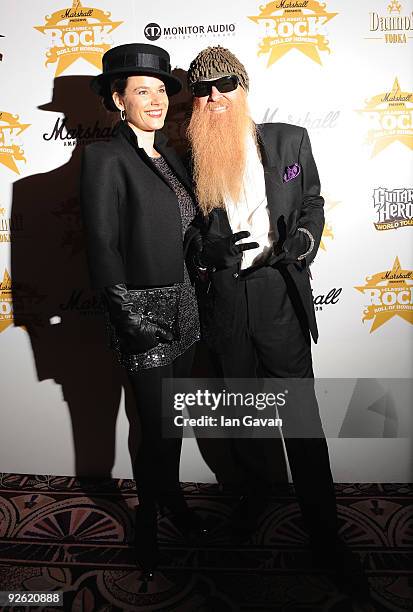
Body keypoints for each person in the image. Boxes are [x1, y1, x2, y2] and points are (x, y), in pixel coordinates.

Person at [186, 45, 370, 603]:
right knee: (239, 414)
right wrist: (204, 249)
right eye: (203, 88)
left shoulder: (289, 140)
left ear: (244, 87)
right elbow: (185, 231)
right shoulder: (184, 152)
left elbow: (311, 199)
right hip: (225, 299)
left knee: (302, 419)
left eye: (225, 83)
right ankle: (250, 505)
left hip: (277, 295)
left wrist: (304, 241)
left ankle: (323, 529)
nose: (214, 95)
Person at [80, 43, 206, 579]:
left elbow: (185, 231)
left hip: (184, 305)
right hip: (140, 310)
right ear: (117, 98)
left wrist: (209, 249)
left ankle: (172, 499)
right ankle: (148, 525)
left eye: (160, 89)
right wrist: (122, 313)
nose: (155, 100)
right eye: (141, 91)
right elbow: (101, 242)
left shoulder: (172, 157)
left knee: (172, 422)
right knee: (150, 427)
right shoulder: (103, 157)